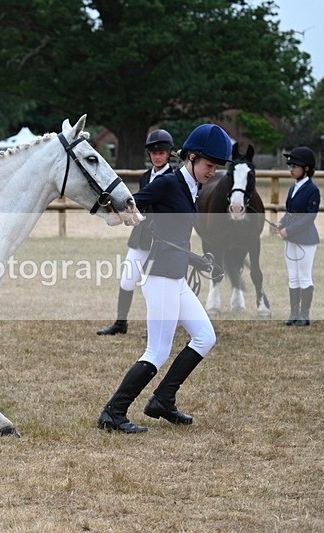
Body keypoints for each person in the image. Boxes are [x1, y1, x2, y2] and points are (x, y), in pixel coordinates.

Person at [97, 123, 232, 433]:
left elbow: (177, 237)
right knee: (157, 351)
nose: (212, 171)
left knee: (205, 337)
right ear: (192, 157)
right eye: (209, 165)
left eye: (216, 167)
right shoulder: (170, 183)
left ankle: (162, 399)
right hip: (160, 278)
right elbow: (128, 204)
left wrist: (199, 260)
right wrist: (125, 215)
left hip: (176, 276)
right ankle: (113, 413)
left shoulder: (192, 188)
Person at [97, 129, 175, 335]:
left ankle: (156, 327)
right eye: (154, 152)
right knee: (127, 279)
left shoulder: (173, 178)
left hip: (162, 240)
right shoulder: (145, 177)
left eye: (162, 152)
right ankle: (121, 323)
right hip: (141, 236)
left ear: (169, 153)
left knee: (154, 286)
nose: (157, 156)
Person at [274, 147, 320, 326]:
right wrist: (282, 223)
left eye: (295, 166)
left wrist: (289, 230)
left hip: (306, 239)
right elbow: (291, 211)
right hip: (290, 238)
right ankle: (294, 313)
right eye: (290, 166)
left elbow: (309, 216)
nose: (291, 169)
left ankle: (304, 315)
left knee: (304, 276)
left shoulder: (312, 190)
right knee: (293, 276)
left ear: (306, 168)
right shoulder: (294, 187)